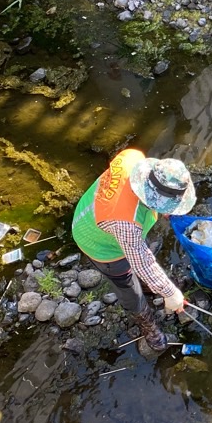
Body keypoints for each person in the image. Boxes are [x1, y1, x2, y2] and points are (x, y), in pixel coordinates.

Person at [71, 148, 196, 357]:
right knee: (128, 285)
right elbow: (143, 262)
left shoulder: (134, 158)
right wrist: (171, 294)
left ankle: (150, 286)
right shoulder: (125, 223)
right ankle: (148, 326)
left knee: (139, 258)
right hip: (98, 242)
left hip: (100, 214)